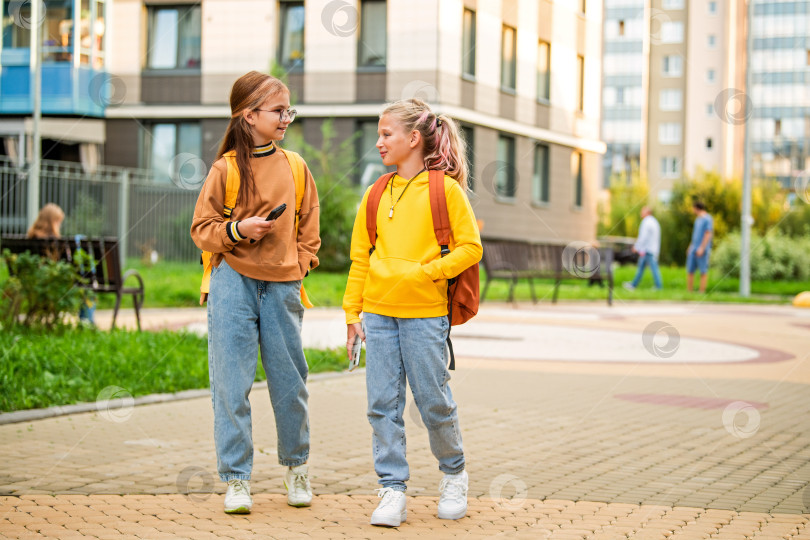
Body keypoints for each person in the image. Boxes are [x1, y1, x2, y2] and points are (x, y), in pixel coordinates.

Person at [342, 99, 482, 527]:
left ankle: (454, 474)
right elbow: (361, 258)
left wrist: (428, 273)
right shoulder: (375, 193)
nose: (379, 142)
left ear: (413, 139)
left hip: (424, 314)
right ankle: (392, 489)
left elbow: (470, 248)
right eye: (380, 134)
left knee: (432, 401)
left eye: (387, 134)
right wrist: (352, 313)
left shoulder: (446, 191)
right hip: (379, 315)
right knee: (382, 405)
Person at [190, 71, 320, 515]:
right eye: (278, 111)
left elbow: (309, 228)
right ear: (249, 116)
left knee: (290, 385)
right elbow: (202, 230)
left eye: (289, 111)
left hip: (283, 286)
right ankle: (236, 480)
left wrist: (300, 265)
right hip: (232, 283)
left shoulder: (297, 166)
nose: (286, 118)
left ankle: (297, 468)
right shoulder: (224, 169)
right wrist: (238, 230)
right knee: (231, 385)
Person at [623, 206, 662, 290]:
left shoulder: (646, 222)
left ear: (647, 212)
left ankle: (658, 286)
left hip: (648, 249)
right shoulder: (654, 221)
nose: (641, 213)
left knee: (653, 268)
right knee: (641, 267)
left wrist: (637, 247)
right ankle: (634, 284)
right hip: (651, 249)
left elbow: (643, 237)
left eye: (642, 211)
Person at [687, 200, 713, 293]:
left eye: (693, 209)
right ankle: (689, 291)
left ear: (697, 208)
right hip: (694, 248)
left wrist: (702, 248)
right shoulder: (697, 219)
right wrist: (690, 246)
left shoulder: (707, 218)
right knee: (690, 270)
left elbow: (707, 233)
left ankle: (702, 291)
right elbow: (695, 235)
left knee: (703, 271)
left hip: (702, 249)